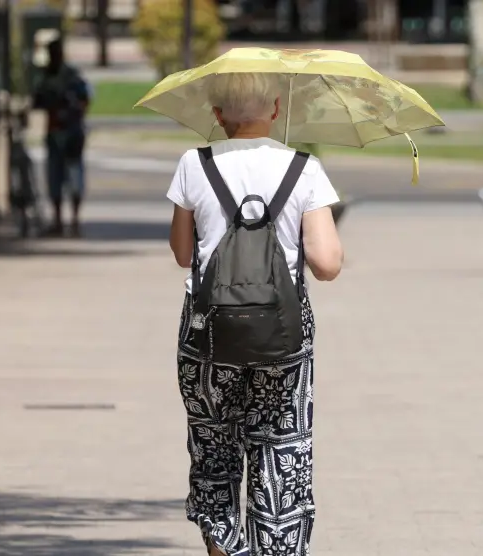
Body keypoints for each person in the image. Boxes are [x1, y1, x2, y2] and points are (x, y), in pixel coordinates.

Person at [166, 72, 344, 556]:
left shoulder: (193, 163)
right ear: (276, 109)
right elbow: (327, 265)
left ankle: (224, 545)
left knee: (215, 454)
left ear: (218, 114)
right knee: (280, 449)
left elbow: (184, 254)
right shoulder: (303, 168)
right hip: (283, 339)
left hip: (207, 337)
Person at [32, 39, 91, 236]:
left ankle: (73, 220)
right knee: (55, 177)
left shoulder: (72, 77)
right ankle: (58, 220)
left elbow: (84, 100)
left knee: (73, 177)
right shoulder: (46, 77)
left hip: (72, 132)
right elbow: (38, 100)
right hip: (55, 131)